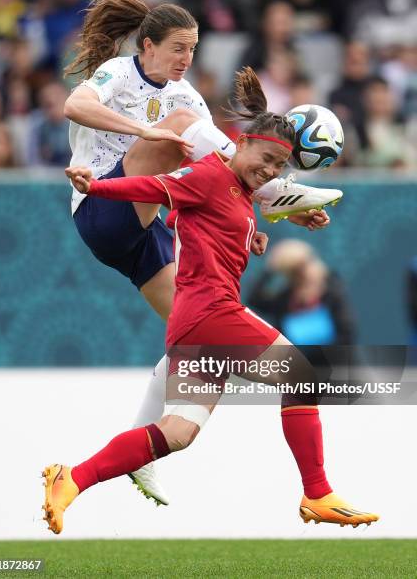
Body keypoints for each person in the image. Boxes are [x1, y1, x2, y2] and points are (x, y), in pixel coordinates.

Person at [43, 67, 378, 535]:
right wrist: (94, 187)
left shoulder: (238, 194)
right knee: (300, 374)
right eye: (264, 159)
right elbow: (154, 188)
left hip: (194, 324)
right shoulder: (208, 175)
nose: (269, 171)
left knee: (176, 434)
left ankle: (71, 478)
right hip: (211, 313)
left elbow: (207, 225)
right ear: (240, 144)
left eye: (278, 169)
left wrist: (253, 237)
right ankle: (318, 492)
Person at [62, 0, 343, 505]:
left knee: (193, 335)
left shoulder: (185, 93)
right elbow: (74, 104)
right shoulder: (119, 74)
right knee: (177, 130)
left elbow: (223, 171)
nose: (186, 60)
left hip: (143, 232)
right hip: (103, 207)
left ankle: (144, 452)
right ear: (146, 46)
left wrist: (254, 218)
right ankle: (283, 192)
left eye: (192, 49)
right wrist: (141, 129)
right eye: (177, 49)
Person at [248, 239, 356, 346]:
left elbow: (347, 333)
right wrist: (270, 269)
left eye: (305, 265)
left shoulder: (332, 292)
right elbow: (254, 300)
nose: (303, 273)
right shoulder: (285, 300)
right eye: (296, 270)